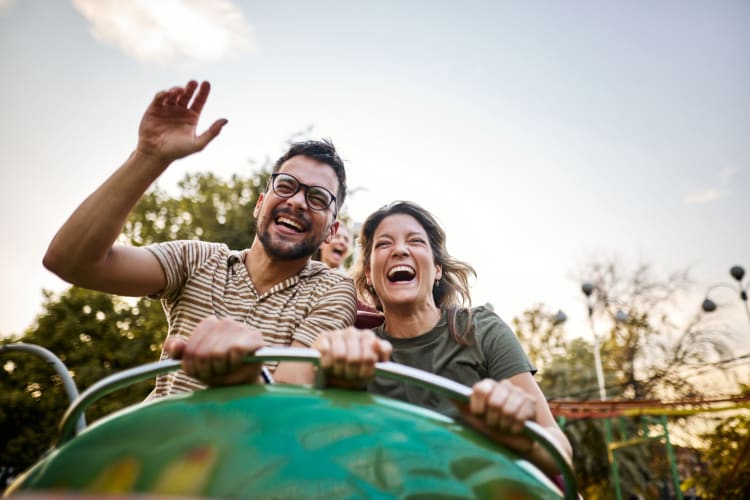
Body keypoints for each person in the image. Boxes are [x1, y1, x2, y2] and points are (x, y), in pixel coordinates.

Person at [43, 80, 357, 396]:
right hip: (157, 441)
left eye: (318, 198)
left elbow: (289, 397)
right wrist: (149, 157)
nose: (298, 202)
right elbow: (71, 263)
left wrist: (241, 374)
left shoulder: (331, 288)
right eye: (286, 186)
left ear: (332, 230)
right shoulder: (198, 259)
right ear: (259, 204)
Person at [312, 201, 572, 477]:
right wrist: (333, 380)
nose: (400, 250)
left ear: (437, 269)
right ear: (369, 275)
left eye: (415, 241)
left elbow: (559, 453)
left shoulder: (482, 329)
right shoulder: (357, 353)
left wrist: (524, 441)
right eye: (384, 244)